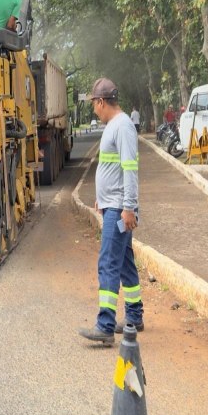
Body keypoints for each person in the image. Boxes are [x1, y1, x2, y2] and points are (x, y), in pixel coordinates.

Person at [79, 78, 142, 345]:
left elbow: (130, 169)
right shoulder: (114, 126)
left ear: (102, 102)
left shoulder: (123, 126)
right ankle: (134, 317)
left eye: (94, 104)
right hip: (113, 205)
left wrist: (128, 207)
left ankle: (105, 326)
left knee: (108, 264)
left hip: (119, 209)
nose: (93, 110)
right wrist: (101, 199)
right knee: (125, 263)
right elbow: (112, 169)